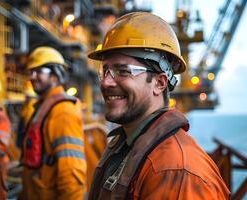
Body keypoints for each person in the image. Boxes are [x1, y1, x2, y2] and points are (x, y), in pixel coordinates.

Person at [87, 12, 230, 199]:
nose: (106, 82)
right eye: (105, 71)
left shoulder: (176, 172)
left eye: (123, 71)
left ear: (160, 83)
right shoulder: (127, 145)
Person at [20, 46, 86, 199]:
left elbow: (71, 172)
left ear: (56, 76)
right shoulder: (43, 108)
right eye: (31, 71)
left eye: (39, 71)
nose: (33, 76)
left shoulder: (63, 112)